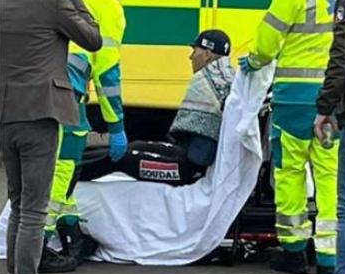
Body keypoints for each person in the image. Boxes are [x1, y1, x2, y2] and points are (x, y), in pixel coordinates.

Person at [0, 0, 102, 274]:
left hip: (4, 116)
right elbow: (92, 38)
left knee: (18, 203)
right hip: (40, 114)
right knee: (34, 210)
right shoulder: (57, 0)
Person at [238, 0, 344, 274]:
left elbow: (266, 44)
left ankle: (295, 252)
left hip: (294, 100)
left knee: (290, 173)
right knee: (329, 175)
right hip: (333, 99)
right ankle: (330, 258)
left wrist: (252, 62)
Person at [39, 0, 130, 274]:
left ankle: (71, 230)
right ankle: (42, 243)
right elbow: (108, 75)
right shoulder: (110, 7)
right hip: (67, 92)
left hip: (40, 90)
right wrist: (116, 124)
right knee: (63, 168)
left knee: (64, 167)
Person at [78, 29, 235, 187]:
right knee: (134, 146)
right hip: (185, 156)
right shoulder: (223, 81)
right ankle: (68, 164)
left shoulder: (214, 86)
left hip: (185, 170)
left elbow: (200, 156)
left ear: (207, 54)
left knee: (122, 159)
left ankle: (64, 177)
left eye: (195, 51)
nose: (191, 56)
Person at [302, 0, 345, 274]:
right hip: (341, 106)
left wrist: (325, 106)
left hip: (327, 106)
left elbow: (342, 54)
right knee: (335, 191)